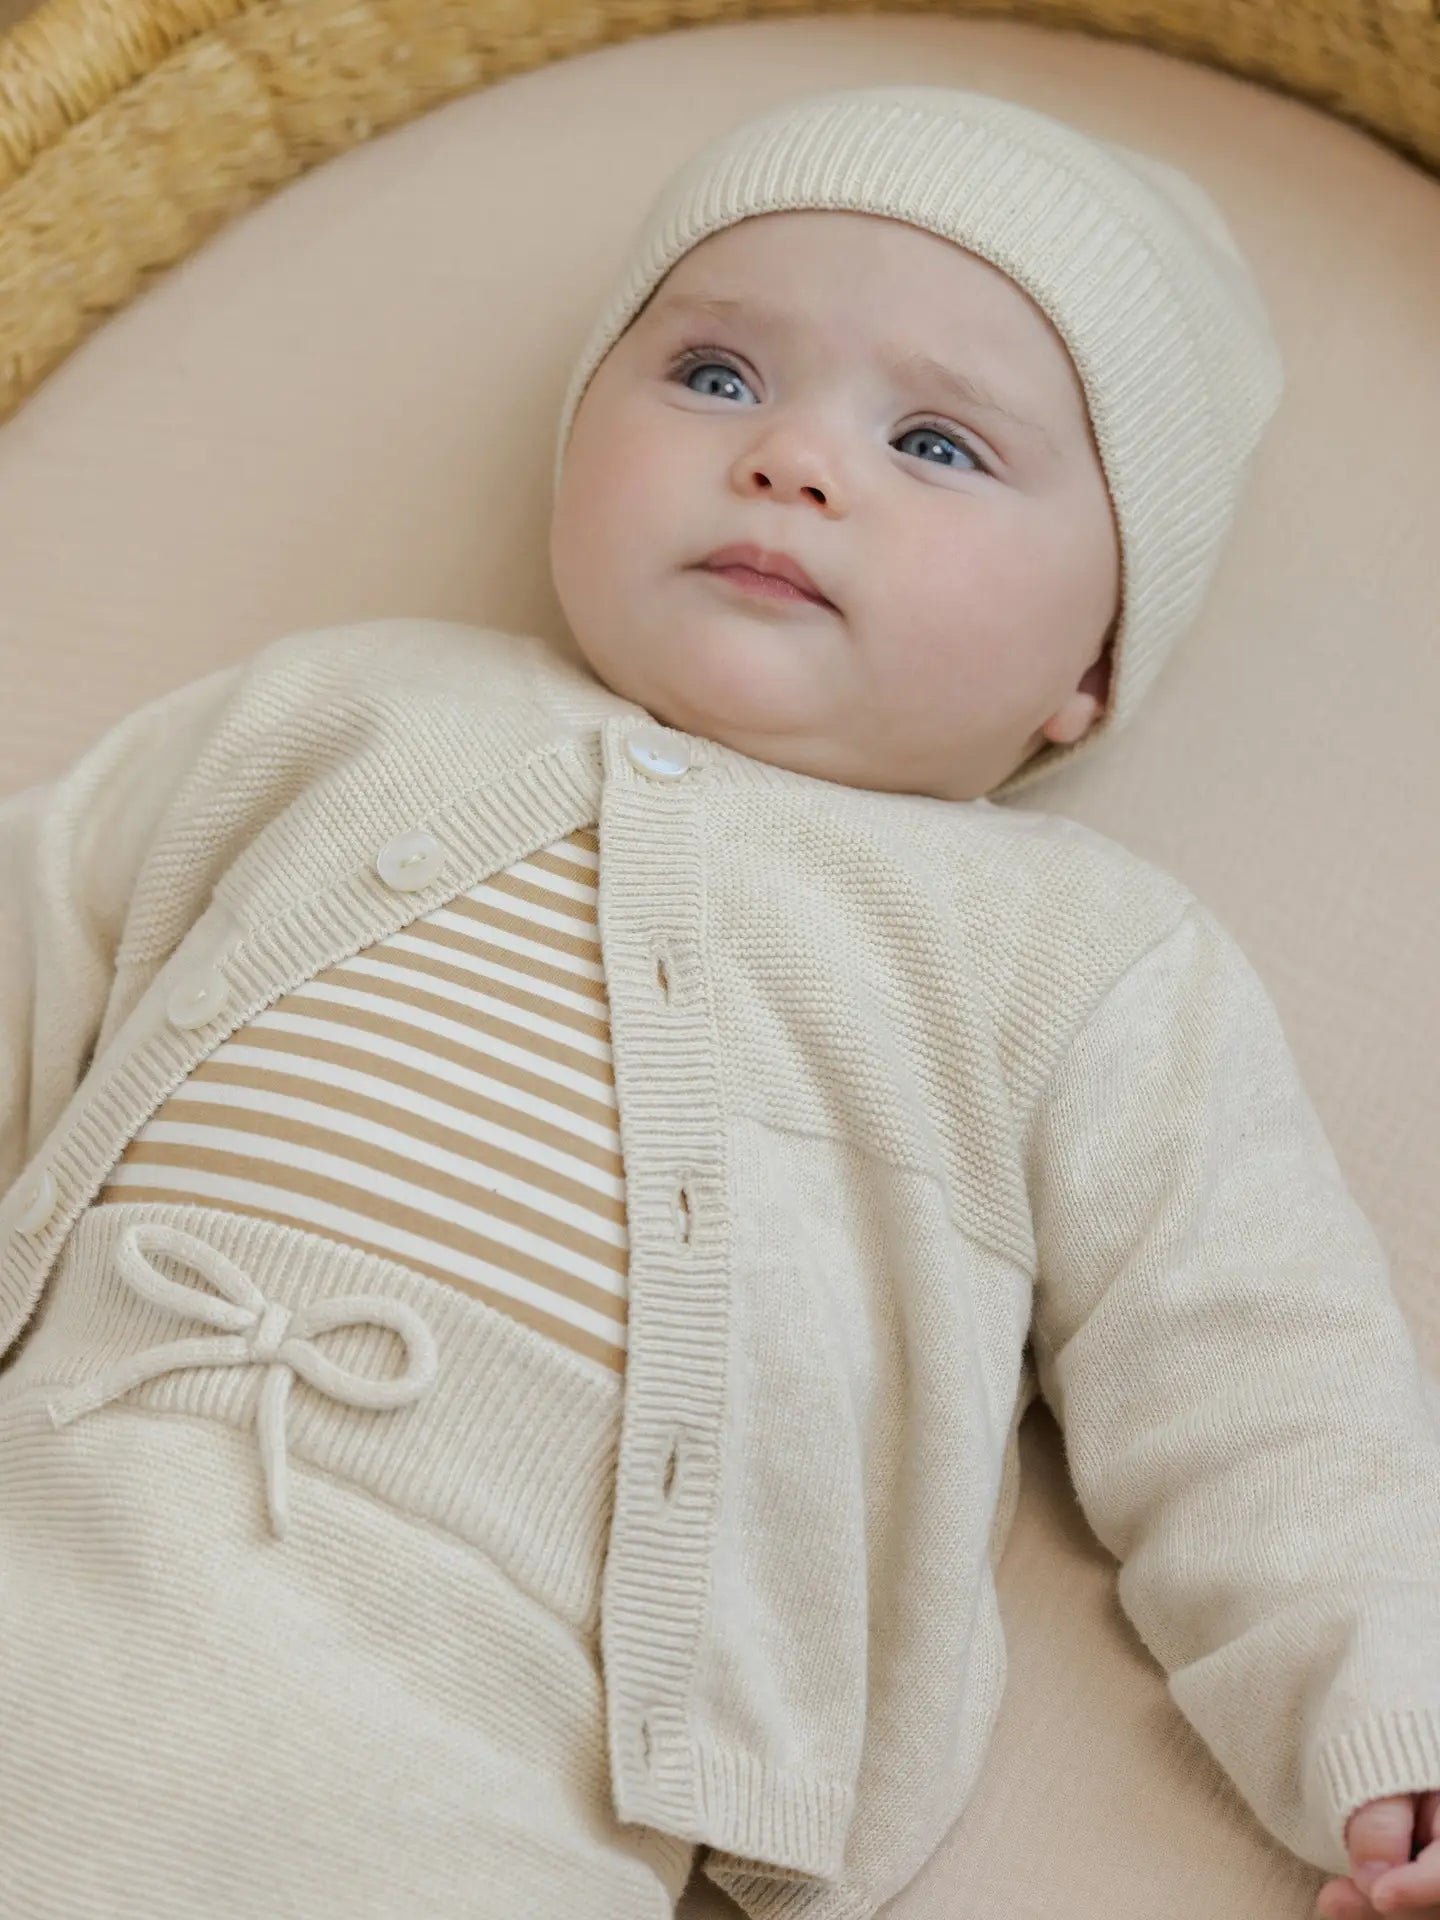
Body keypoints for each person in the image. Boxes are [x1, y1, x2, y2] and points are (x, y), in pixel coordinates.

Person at [0, 84, 1435, 1920]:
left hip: (518, 1728)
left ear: (1091, 661)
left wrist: (1391, 1717)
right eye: (716, 376)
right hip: (64, 1482)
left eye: (936, 442)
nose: (794, 459)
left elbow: (1265, 1377)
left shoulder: (1076, 951)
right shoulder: (345, 707)